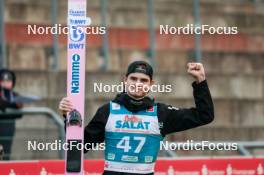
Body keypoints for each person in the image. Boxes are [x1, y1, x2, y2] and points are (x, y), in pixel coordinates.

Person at [59, 61, 214, 174]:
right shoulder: (108, 111)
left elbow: (204, 115)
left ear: (151, 84)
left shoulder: (162, 113)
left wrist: (200, 81)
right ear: (125, 80)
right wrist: (68, 118)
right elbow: (81, 146)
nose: (138, 84)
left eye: (143, 80)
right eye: (133, 78)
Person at [0, 69, 23, 160]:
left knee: (6, 153)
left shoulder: (14, 95)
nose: (6, 83)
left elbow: (19, 113)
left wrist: (16, 104)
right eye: (3, 81)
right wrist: (11, 104)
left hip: (8, 127)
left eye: (8, 81)